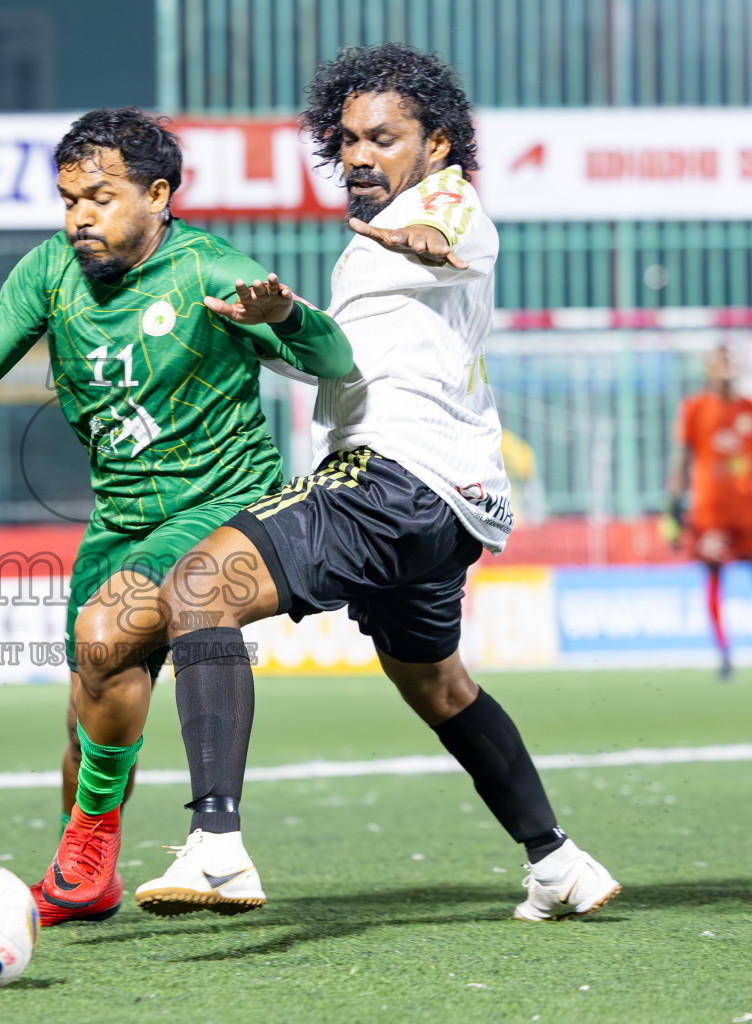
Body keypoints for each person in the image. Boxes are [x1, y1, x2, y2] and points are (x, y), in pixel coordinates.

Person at [134, 44, 620, 923]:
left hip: (392, 481)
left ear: (436, 144)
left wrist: (419, 237)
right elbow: (356, 363)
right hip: (449, 503)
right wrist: (283, 321)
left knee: (199, 590)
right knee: (439, 687)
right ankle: (559, 864)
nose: (359, 155)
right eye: (348, 138)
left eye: (384, 138)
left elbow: (452, 238)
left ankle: (216, 847)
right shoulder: (371, 246)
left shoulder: (444, 204)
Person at [0, 107, 354, 925]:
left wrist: (284, 318)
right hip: (121, 516)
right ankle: (88, 867)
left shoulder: (208, 271)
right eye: (68, 198)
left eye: (101, 197)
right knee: (91, 697)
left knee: (105, 634)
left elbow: (336, 361)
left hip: (220, 504)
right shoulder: (51, 270)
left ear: (157, 195)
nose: (80, 216)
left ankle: (104, 844)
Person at [661, 346, 752, 680]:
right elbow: (682, 459)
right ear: (708, 368)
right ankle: (725, 657)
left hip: (748, 511)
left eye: (731, 362)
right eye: (720, 363)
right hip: (709, 515)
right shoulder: (694, 408)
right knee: (715, 579)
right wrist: (672, 508)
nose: (727, 368)